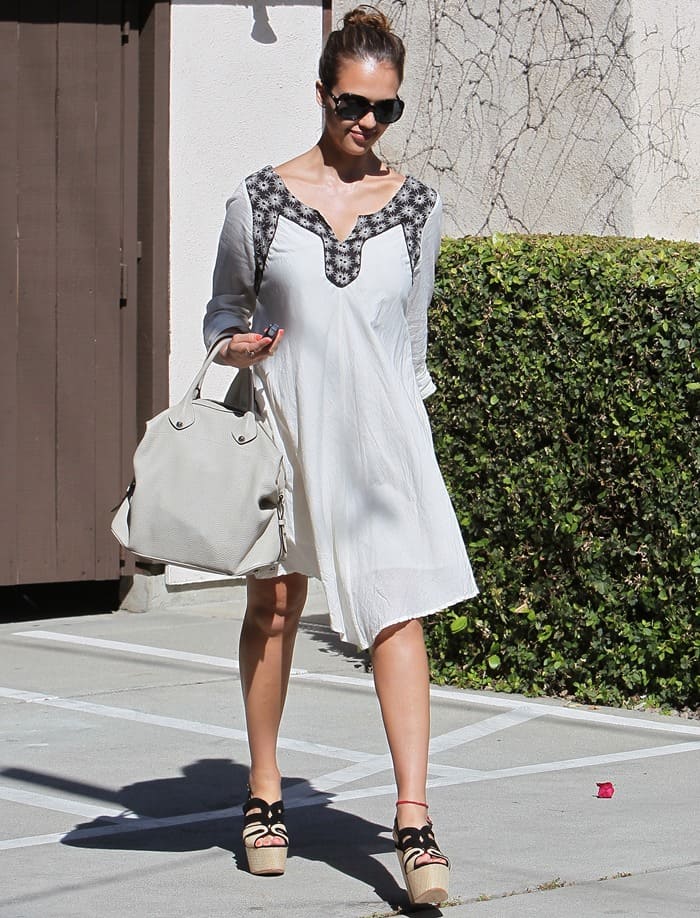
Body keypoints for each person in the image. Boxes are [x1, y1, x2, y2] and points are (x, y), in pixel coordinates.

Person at [203, 5, 478, 905]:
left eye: (386, 109)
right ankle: (265, 796)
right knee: (275, 607)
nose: (367, 123)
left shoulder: (419, 207)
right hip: (283, 426)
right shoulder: (258, 197)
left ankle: (413, 818)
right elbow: (223, 315)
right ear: (321, 93)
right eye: (353, 104)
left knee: (399, 613)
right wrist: (234, 347)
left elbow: (413, 338)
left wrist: (410, 437)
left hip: (379, 433)